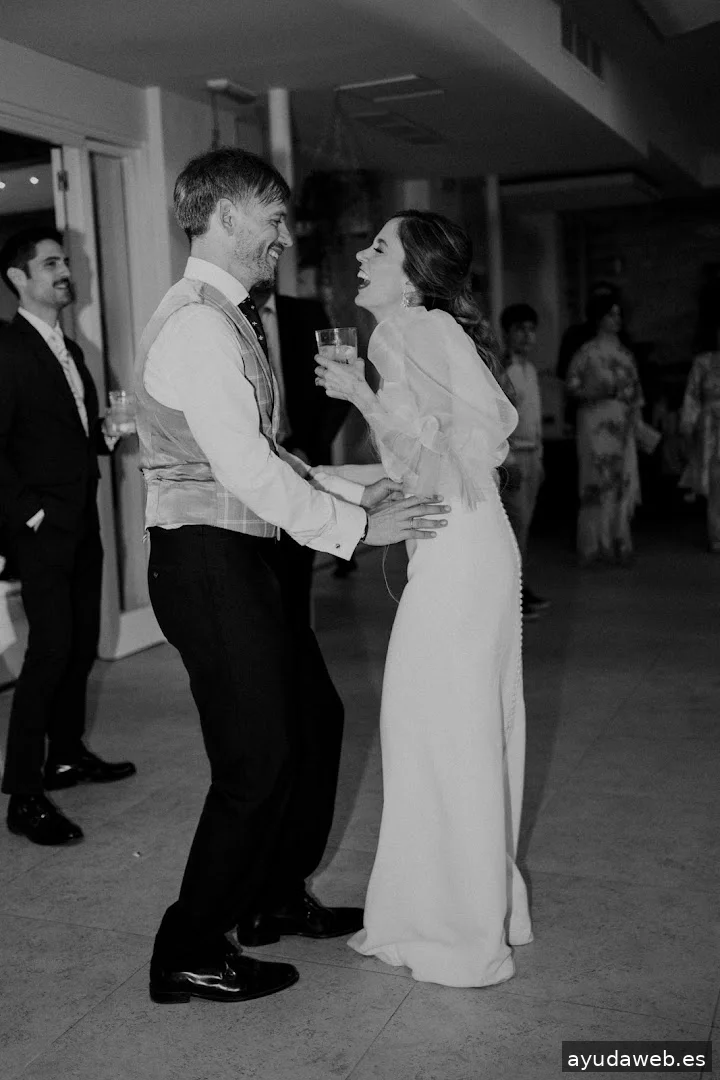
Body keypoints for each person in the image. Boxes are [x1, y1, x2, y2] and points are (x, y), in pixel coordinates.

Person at [136, 148, 450, 1006]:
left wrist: (351, 487)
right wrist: (358, 528)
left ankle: (273, 896)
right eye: (273, 219)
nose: (284, 235)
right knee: (258, 759)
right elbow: (243, 470)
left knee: (315, 718)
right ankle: (188, 948)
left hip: (241, 555)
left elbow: (269, 454)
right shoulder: (198, 323)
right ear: (227, 217)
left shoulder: (224, 315)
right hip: (207, 561)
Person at [315, 209, 533, 988]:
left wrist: (361, 396)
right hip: (467, 540)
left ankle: (456, 929)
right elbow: (432, 457)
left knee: (436, 728)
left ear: (412, 274)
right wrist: (328, 471)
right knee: (457, 728)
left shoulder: (408, 329)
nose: (361, 256)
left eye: (378, 247)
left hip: (459, 549)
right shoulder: (416, 330)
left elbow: (462, 448)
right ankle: (472, 907)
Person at [0, 228, 137, 847]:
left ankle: (66, 754)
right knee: (50, 652)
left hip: (83, 519)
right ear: (18, 278)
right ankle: (23, 795)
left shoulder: (71, 350)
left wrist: (108, 434)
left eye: (65, 261)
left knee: (80, 644)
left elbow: (68, 438)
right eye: (50, 263)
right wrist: (29, 515)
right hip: (43, 529)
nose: (65, 271)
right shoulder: (8, 350)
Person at [251, 285, 353, 623]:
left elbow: (340, 391)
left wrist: (308, 448)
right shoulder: (230, 316)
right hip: (252, 467)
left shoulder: (307, 314)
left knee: (297, 581)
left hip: (305, 460)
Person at [565, 294, 643, 566]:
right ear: (599, 318)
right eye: (611, 314)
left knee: (621, 480)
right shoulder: (586, 353)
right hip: (594, 419)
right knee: (595, 479)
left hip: (621, 421)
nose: (616, 319)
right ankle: (594, 544)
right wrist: (592, 392)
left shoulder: (626, 355)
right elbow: (571, 386)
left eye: (619, 314)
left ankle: (618, 540)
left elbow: (636, 394)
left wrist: (636, 422)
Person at [500, 303, 550, 619]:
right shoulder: (501, 369)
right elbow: (498, 419)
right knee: (514, 527)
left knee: (524, 527)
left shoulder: (530, 370)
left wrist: (540, 458)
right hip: (514, 457)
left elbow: (534, 419)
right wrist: (508, 459)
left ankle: (519, 586)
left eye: (531, 330)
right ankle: (511, 593)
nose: (527, 336)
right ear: (507, 332)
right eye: (520, 329)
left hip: (532, 454)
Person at [679, 314, 720, 552]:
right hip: (712, 427)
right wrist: (688, 425)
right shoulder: (703, 362)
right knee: (716, 480)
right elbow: (692, 396)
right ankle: (717, 534)